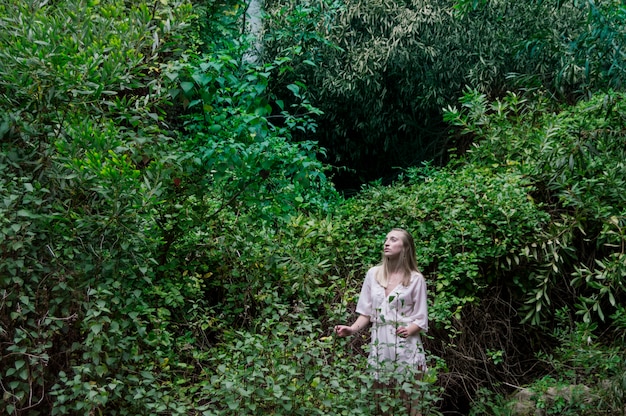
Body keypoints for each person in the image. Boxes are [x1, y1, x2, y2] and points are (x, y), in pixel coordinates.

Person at [334, 228, 428, 415]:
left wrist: (410, 329)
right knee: (381, 402)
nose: (387, 243)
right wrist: (351, 329)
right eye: (386, 239)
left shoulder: (416, 279)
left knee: (410, 402)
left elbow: (421, 318)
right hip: (379, 344)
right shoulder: (373, 274)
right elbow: (366, 313)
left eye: (393, 240)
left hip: (406, 345)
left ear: (405, 248)